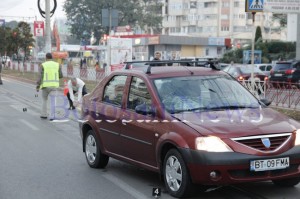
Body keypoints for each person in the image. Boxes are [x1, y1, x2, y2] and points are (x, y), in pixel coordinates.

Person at [36, 53, 63, 119]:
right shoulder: (57, 65)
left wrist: (37, 86)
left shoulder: (42, 65)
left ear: (46, 57)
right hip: (54, 86)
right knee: (53, 101)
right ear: (52, 57)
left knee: (44, 100)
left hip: (45, 86)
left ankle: (44, 114)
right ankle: (52, 116)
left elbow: (39, 76)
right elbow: (60, 75)